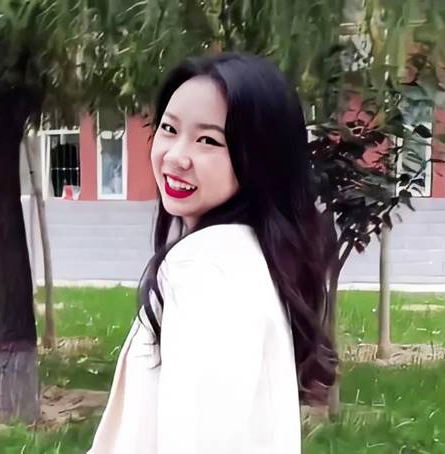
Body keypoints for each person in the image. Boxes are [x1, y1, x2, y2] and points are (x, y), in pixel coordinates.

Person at [88, 52, 337, 454]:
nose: (175, 156)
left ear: (260, 158)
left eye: (208, 140)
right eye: (169, 128)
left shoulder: (206, 268)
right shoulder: (249, 255)